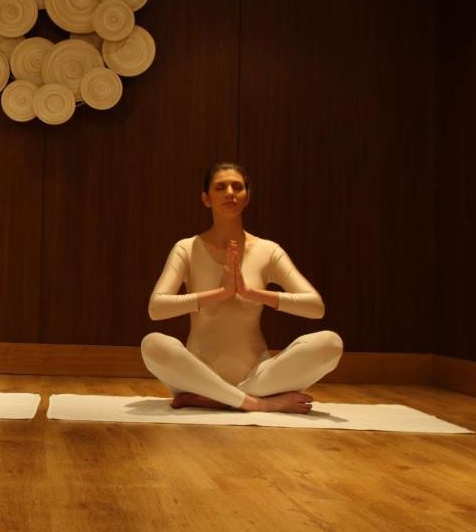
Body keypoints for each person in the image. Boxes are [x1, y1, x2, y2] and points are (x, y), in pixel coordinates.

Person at [140, 163, 342, 413]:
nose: (230, 193)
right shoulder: (186, 248)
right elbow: (156, 308)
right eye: (220, 187)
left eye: (237, 187)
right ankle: (256, 403)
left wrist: (250, 293)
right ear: (206, 198)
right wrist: (221, 293)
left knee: (331, 344)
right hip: (199, 373)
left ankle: (218, 399)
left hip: (257, 376)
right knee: (152, 345)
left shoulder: (268, 251)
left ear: (247, 198)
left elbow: (316, 307)